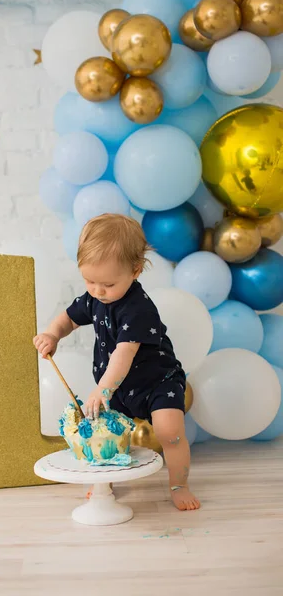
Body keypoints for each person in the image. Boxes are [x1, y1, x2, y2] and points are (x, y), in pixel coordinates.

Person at [34, 214, 200, 511]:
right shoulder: (95, 297)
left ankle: (179, 484)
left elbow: (123, 354)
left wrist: (103, 389)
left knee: (169, 430)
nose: (97, 290)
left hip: (155, 382)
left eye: (108, 283)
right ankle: (104, 481)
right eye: (89, 280)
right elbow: (69, 318)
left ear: (135, 271)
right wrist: (52, 334)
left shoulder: (138, 309)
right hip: (119, 387)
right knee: (102, 433)